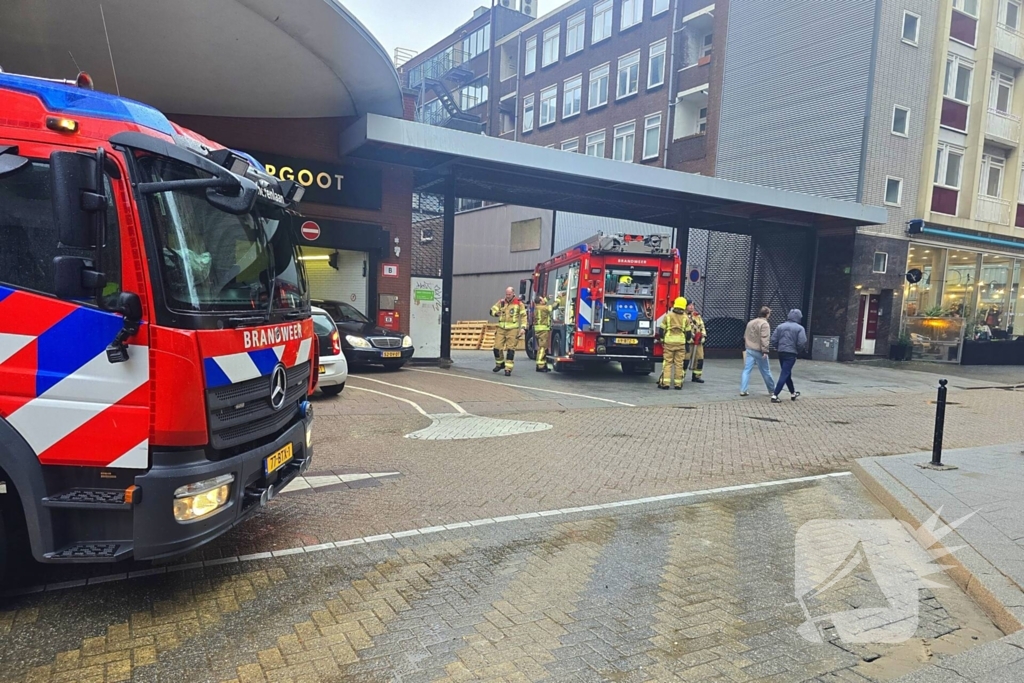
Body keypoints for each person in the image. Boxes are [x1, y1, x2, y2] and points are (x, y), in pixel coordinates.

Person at [770, 309, 808, 403]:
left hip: (781, 352)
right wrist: (797, 350)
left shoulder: (780, 326)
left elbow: (773, 339)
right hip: (791, 353)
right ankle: (775, 395)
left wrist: (778, 347)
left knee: (786, 372)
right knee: (785, 373)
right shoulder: (800, 328)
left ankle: (793, 393)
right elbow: (802, 342)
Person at [490, 287, 527, 376]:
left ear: (513, 293)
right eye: (506, 294)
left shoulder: (519, 303)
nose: (507, 296)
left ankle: (508, 368)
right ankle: (500, 364)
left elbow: (523, 316)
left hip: (512, 329)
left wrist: (523, 328)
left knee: (510, 350)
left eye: (509, 294)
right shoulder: (502, 302)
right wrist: (496, 313)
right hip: (501, 328)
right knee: (496, 348)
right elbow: (492, 310)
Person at [656, 297, 692, 390]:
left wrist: (662, 339)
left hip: (669, 343)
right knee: (679, 363)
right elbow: (688, 333)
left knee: (667, 363)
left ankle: (665, 383)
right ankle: (678, 384)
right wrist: (687, 342)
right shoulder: (685, 318)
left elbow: (661, 330)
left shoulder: (668, 316)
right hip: (680, 343)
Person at [741, 307, 776, 397]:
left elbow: (745, 335)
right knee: (765, 371)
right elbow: (764, 338)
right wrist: (765, 351)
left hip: (749, 349)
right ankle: (772, 390)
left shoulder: (751, 322)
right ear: (767, 314)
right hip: (759, 350)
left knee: (746, 370)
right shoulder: (764, 324)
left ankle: (743, 390)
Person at [684, 302, 707, 383]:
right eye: (689, 305)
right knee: (685, 360)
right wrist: (689, 337)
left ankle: (696, 376)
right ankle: (680, 376)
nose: (691, 307)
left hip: (698, 341)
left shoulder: (697, 316)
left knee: (699, 359)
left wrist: (703, 336)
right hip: (688, 341)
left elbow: (702, 326)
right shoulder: (683, 316)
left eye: (693, 305)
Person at [532, 295, 553, 372]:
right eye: (542, 299)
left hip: (539, 330)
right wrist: (559, 299)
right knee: (542, 348)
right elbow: (553, 307)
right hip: (543, 331)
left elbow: (543, 302)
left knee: (542, 348)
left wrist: (547, 298)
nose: (544, 300)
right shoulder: (543, 308)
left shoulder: (537, 307)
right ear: (540, 302)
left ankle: (543, 365)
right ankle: (540, 366)